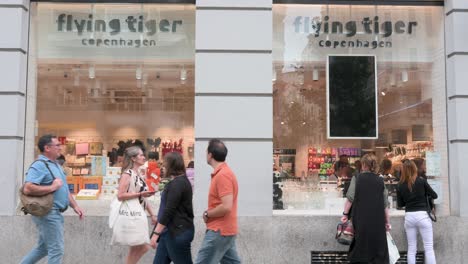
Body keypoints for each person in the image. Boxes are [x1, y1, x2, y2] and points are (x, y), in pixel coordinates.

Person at [21, 134, 84, 264]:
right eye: (57, 145)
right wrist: (52, 187)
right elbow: (27, 188)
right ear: (47, 148)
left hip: (53, 212)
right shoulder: (39, 165)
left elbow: (64, 189)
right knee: (56, 249)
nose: (60, 148)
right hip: (48, 212)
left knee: (43, 248)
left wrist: (75, 206)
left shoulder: (55, 165)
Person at [195, 139, 241, 264]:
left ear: (210, 155)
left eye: (206, 152)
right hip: (224, 231)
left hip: (219, 231)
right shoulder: (223, 173)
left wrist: (207, 214)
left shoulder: (223, 175)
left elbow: (226, 206)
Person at [341, 154, 391, 264]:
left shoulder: (357, 178)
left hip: (361, 220)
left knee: (361, 249)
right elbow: (385, 204)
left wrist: (345, 214)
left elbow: (350, 199)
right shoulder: (380, 180)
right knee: (378, 251)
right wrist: (387, 221)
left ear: (363, 164)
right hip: (377, 222)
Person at [150, 152, 194, 264]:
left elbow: (169, 210)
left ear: (171, 166)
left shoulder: (178, 184)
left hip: (177, 233)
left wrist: (155, 234)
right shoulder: (178, 182)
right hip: (168, 233)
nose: (162, 168)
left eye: (164, 165)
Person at [117, 146, 157, 264]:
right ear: (133, 158)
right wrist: (140, 193)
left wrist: (152, 214)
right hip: (133, 215)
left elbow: (143, 197)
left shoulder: (138, 173)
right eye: (140, 155)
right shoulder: (127, 174)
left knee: (138, 247)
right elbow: (120, 195)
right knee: (142, 246)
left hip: (139, 214)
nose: (143, 157)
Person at [397, 159, 438, 264]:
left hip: (409, 217)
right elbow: (435, 195)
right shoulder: (421, 181)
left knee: (411, 248)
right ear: (415, 169)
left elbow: (400, 204)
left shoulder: (400, 185)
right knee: (428, 248)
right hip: (423, 216)